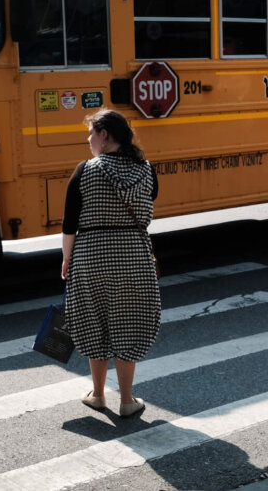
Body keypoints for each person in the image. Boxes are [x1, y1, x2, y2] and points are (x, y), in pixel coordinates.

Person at [61, 109, 160, 418]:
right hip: (133, 255)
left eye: (91, 134)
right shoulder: (146, 170)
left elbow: (69, 222)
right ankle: (128, 399)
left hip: (91, 256)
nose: (89, 140)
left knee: (94, 320)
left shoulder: (85, 170)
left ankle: (99, 394)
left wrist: (66, 259)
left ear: (104, 135)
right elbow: (152, 199)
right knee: (128, 322)